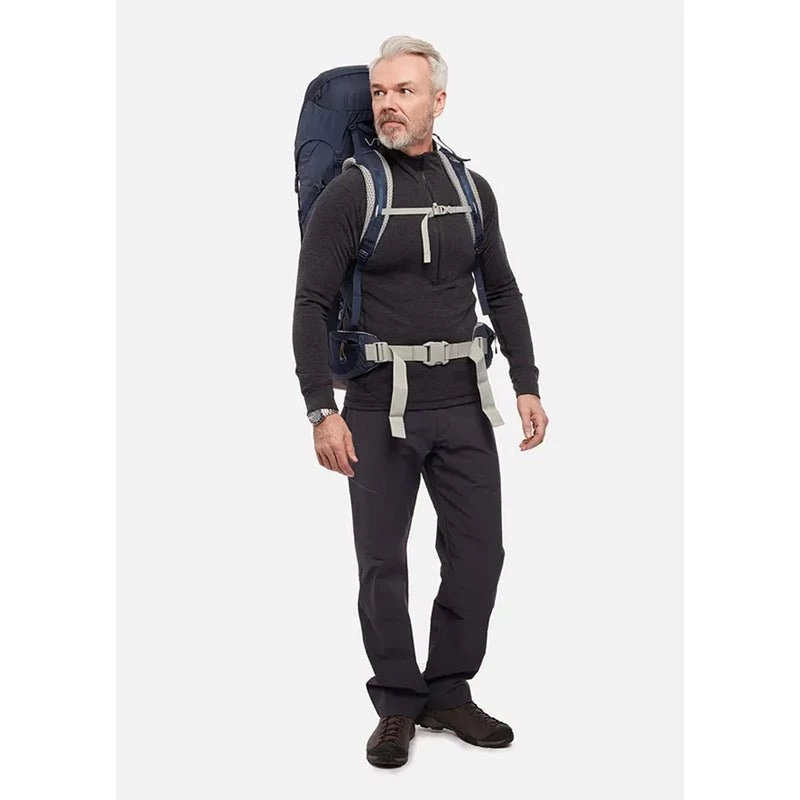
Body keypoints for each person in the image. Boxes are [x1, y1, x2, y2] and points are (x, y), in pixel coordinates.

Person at [291, 34, 549, 768]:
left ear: (438, 100)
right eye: (379, 92)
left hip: (462, 401)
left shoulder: (471, 189)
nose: (388, 105)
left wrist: (526, 382)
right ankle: (397, 704)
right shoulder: (351, 191)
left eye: (403, 91)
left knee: (479, 554)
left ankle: (449, 692)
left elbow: (502, 290)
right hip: (375, 407)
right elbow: (310, 303)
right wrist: (321, 409)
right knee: (383, 564)